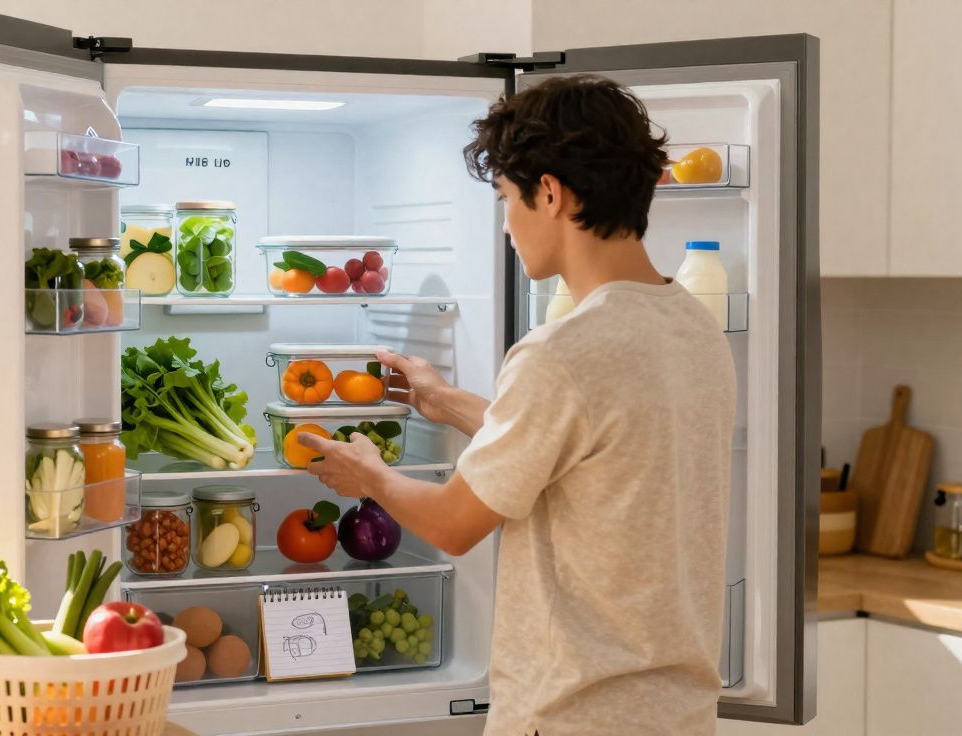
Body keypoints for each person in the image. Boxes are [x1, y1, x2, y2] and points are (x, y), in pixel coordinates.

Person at [296, 75, 737, 736]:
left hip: (572, 717)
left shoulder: (562, 352)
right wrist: (449, 404)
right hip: (677, 715)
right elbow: (594, 450)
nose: (504, 223)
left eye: (506, 196)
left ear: (551, 193)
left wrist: (371, 478)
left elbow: (453, 523)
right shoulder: (691, 325)